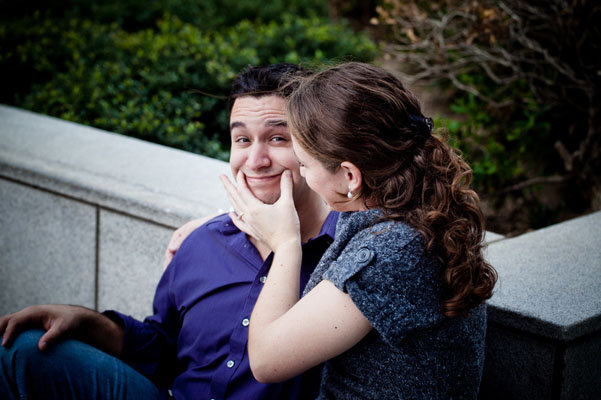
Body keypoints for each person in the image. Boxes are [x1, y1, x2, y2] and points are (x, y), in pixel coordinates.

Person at [0, 64, 338, 400]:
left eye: (278, 138)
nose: (255, 160)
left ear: (316, 147)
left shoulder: (347, 252)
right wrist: (85, 321)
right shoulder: (204, 242)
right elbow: (160, 349)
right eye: (242, 140)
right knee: (23, 348)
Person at [220, 62, 498, 399]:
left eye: (305, 165)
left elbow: (266, 361)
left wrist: (285, 242)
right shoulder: (411, 206)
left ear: (350, 177)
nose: (303, 175)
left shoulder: (391, 254)